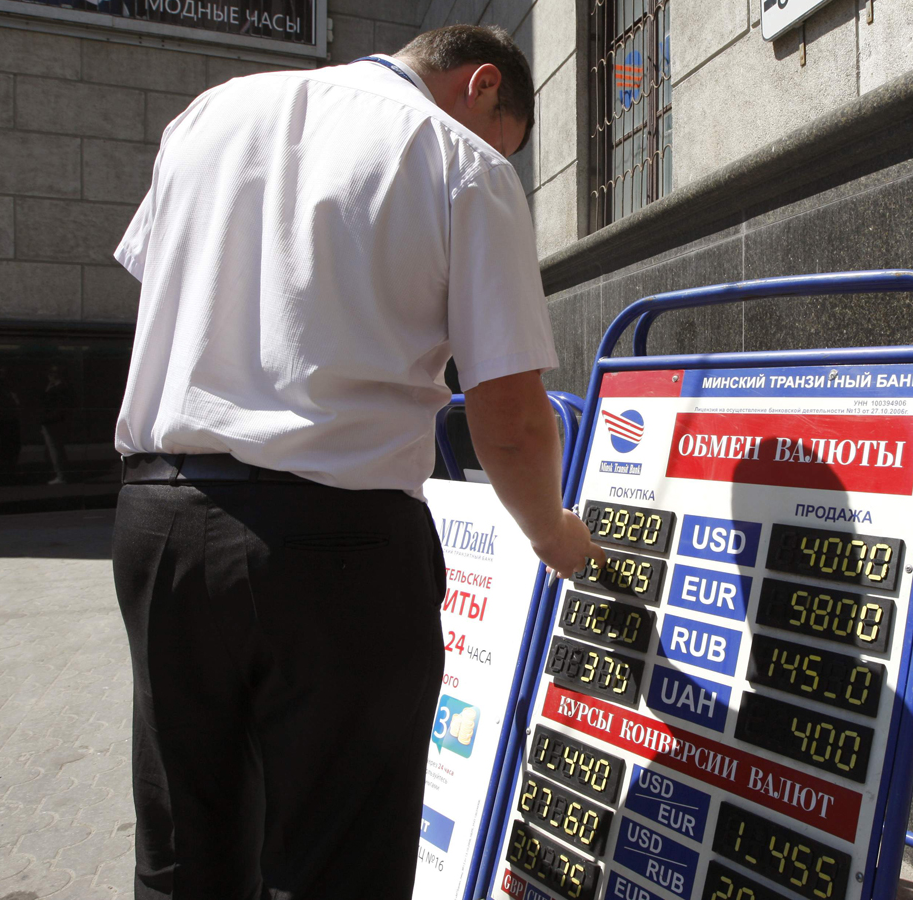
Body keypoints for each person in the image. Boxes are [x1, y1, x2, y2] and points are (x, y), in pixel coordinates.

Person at [110, 25, 604, 900]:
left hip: (162, 521)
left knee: (184, 850)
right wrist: (551, 532)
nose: (506, 160)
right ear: (483, 84)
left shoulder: (209, 114)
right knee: (340, 863)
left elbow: (175, 292)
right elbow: (512, 420)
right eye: (509, 142)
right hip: (335, 548)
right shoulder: (460, 160)